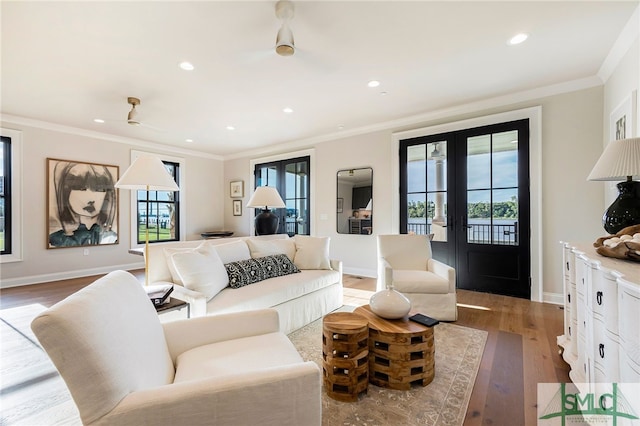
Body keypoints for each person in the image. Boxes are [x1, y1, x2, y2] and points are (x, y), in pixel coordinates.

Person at [48, 161, 117, 247]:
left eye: (98, 189)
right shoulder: (56, 239)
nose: (91, 199)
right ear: (66, 192)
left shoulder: (111, 237)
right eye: (80, 188)